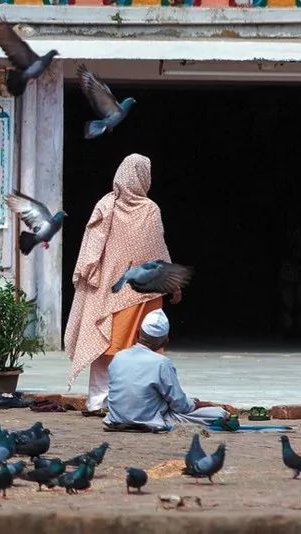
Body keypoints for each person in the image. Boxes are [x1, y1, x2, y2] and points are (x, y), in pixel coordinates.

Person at [64, 153, 180, 415]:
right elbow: (157, 253)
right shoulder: (149, 209)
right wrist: (173, 284)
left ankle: (98, 402)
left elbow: (90, 250)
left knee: (106, 345)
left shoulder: (106, 205)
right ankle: (136, 402)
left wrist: (88, 277)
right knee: (145, 347)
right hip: (143, 293)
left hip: (109, 290)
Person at [104, 309, 232, 431]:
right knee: (217, 413)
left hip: (117, 419)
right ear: (165, 341)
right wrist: (207, 405)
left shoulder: (119, 356)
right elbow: (181, 406)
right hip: (149, 420)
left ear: (138, 333)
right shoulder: (162, 363)